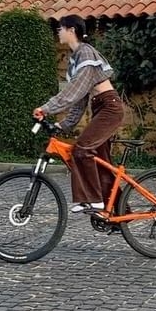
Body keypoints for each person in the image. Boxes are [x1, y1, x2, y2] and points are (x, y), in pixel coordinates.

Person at [33, 15, 124, 213]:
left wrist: (46, 108)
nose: (58, 32)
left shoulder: (86, 53)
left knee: (81, 149)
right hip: (101, 108)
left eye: (60, 28)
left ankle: (93, 199)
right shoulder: (75, 59)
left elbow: (73, 91)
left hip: (110, 108)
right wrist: (64, 125)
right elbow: (80, 99)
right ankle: (116, 213)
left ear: (72, 30)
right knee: (101, 164)